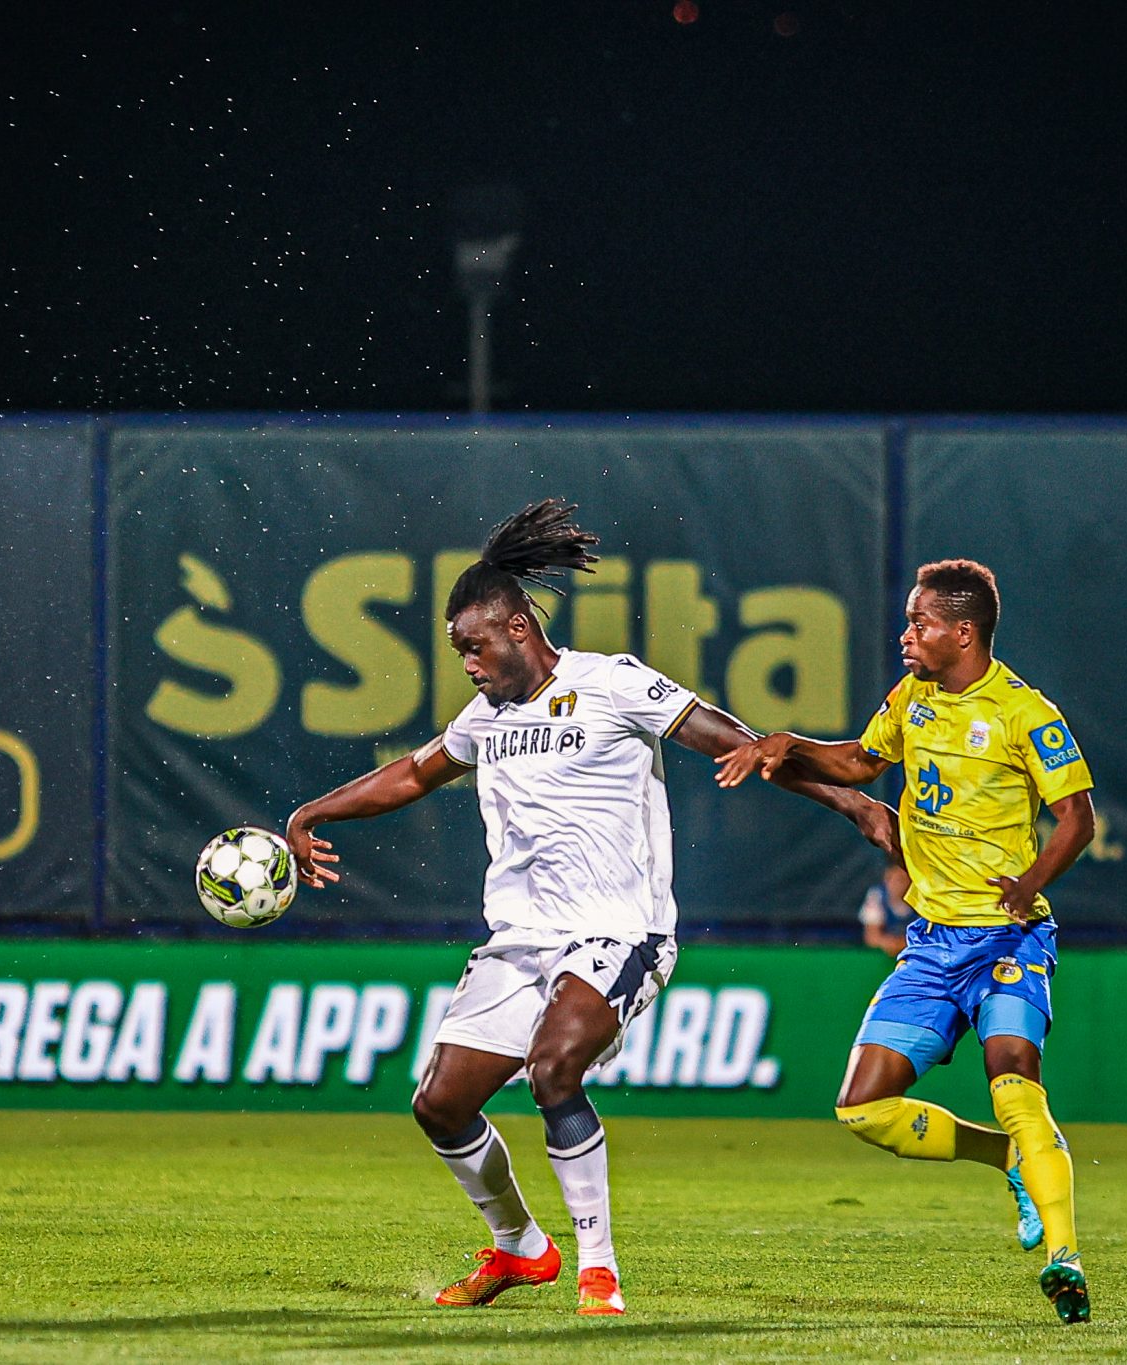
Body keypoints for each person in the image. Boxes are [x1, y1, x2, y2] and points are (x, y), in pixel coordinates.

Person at [283, 499, 894, 1317]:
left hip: (619, 930)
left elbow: (738, 741)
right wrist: (309, 813)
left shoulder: (611, 683)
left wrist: (852, 806)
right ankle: (520, 1249)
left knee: (554, 1065)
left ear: (521, 628)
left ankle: (598, 1270)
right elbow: (409, 775)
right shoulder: (485, 718)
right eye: (458, 649)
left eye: (476, 645)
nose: (466, 662)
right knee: (439, 1103)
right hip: (519, 941)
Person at [714, 557, 1097, 1324]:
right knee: (861, 1107)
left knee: (1015, 1079)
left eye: (920, 623)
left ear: (963, 631)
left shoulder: (1028, 713)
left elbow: (1078, 818)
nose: (906, 634)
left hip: (1009, 939)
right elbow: (859, 760)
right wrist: (784, 745)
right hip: (932, 945)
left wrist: (1027, 885)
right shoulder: (914, 696)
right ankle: (1006, 1159)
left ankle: (1065, 1257)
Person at [860, 863, 914, 958]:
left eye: (902, 880)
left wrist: (903, 944)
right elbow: (871, 938)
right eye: (891, 879)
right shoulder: (876, 895)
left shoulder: (923, 898)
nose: (897, 885)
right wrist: (890, 944)